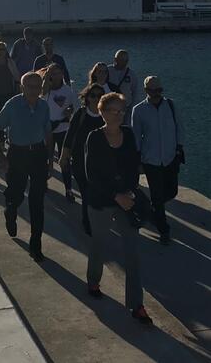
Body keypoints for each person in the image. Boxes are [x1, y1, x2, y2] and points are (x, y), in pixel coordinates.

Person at [83, 91, 152, 325]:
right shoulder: (94, 138)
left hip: (127, 200)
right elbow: (91, 175)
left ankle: (136, 304)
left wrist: (130, 193)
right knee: (99, 244)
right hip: (102, 200)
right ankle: (93, 281)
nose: (119, 115)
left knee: (132, 252)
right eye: (114, 111)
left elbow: (133, 166)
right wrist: (115, 196)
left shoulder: (129, 135)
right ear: (102, 112)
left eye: (122, 111)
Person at [0, 72, 53, 263]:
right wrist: (0, 155)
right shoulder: (13, 104)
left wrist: (50, 160)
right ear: (22, 87)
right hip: (17, 154)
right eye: (30, 87)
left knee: (37, 201)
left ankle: (36, 245)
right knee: (16, 194)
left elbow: (48, 133)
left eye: (37, 86)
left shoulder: (43, 106)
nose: (34, 90)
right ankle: (10, 212)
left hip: (38, 154)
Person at [130, 75, 185, 246]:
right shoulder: (139, 110)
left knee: (172, 191)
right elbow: (136, 136)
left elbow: (179, 128)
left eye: (159, 90)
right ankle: (163, 230)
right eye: (153, 90)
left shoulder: (171, 105)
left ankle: (150, 209)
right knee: (156, 195)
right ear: (146, 90)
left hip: (170, 158)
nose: (156, 93)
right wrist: (137, 160)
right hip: (151, 159)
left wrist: (179, 148)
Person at [59, 83, 107, 235]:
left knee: (97, 192)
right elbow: (70, 135)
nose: (96, 98)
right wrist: (64, 156)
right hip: (80, 161)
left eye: (100, 95)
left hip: (100, 163)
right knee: (86, 193)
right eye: (93, 95)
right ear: (87, 98)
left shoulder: (107, 115)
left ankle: (96, 217)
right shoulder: (81, 114)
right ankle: (87, 222)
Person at [40, 63, 78, 200]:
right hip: (48, 130)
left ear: (62, 74)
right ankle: (43, 182)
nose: (56, 76)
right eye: (53, 74)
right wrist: (47, 75)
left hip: (63, 129)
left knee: (65, 160)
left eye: (58, 73)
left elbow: (75, 107)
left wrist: (70, 110)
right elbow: (42, 92)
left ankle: (68, 189)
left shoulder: (68, 90)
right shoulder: (47, 89)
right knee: (45, 158)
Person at [0, 41, 20, 121]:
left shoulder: (10, 62)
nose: (1, 51)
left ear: (6, 51)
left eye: (3, 49)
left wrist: (17, 89)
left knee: (8, 115)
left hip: (8, 91)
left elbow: (16, 76)